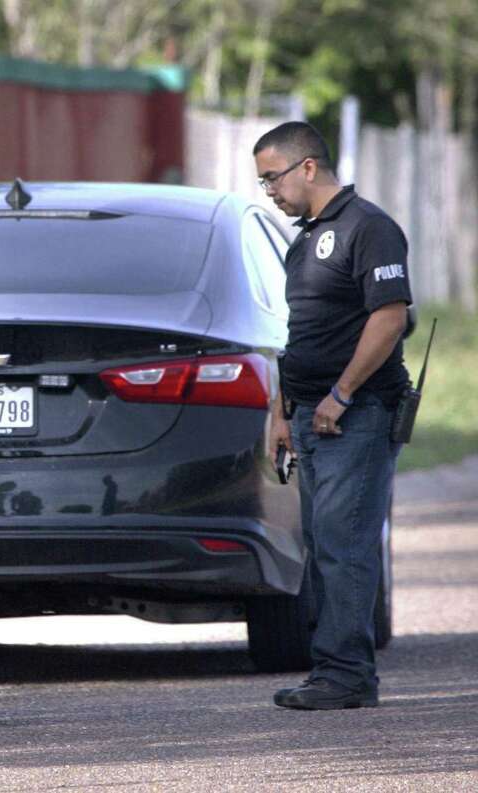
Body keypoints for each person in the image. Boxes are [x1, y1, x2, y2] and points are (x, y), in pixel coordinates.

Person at [254, 121, 412, 710]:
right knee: (324, 544)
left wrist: (341, 394)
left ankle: (347, 676)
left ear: (309, 167)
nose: (268, 190)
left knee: (344, 546)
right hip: (311, 417)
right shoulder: (306, 238)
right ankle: (332, 670)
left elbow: (389, 317)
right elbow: (298, 335)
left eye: (272, 177)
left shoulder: (369, 229)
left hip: (357, 415)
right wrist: (281, 410)